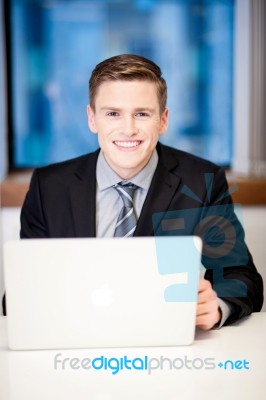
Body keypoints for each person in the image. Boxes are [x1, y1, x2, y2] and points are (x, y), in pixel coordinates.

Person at [4, 54, 263, 328]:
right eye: (113, 113)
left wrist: (218, 306)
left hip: (165, 343)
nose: (128, 129)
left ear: (163, 120)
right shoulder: (49, 187)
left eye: (142, 114)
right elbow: (20, 294)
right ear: (92, 118)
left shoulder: (201, 181)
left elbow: (241, 276)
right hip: (74, 339)